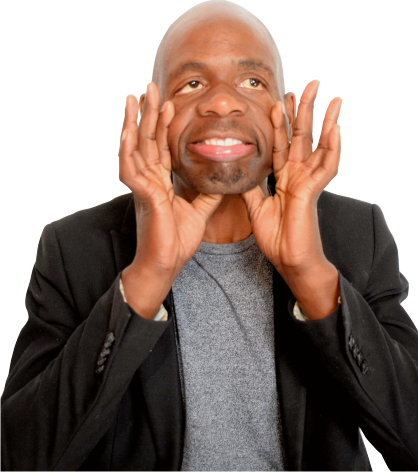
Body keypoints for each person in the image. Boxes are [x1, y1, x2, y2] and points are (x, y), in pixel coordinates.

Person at [1, 0, 417, 470]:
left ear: (285, 112)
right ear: (153, 114)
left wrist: (311, 276)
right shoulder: (75, 250)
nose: (222, 102)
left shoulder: (356, 236)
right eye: (192, 83)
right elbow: (20, 458)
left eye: (252, 81)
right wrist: (147, 278)